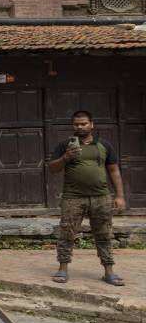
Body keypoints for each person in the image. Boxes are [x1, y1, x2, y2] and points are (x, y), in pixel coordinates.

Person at [48, 110, 127, 286]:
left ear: (92, 124)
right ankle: (63, 269)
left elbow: (114, 170)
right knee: (67, 233)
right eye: (76, 124)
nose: (80, 126)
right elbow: (52, 168)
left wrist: (120, 196)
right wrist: (66, 157)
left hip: (101, 197)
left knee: (104, 234)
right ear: (72, 125)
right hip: (72, 198)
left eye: (83, 123)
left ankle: (109, 271)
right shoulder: (64, 145)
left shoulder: (104, 145)